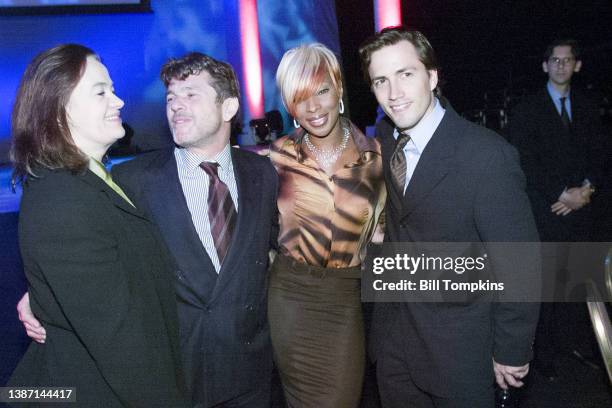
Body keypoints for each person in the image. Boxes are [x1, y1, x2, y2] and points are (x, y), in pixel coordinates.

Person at [17, 52, 279, 408]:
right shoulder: (130, 181)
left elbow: (270, 255)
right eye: (171, 97)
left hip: (248, 374)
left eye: (191, 95)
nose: (176, 106)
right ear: (60, 107)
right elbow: (94, 289)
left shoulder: (263, 173)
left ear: (229, 107)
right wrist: (43, 295)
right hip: (168, 376)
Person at [358, 27, 540, 407]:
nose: (393, 93)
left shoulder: (486, 155)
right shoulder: (388, 138)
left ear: (432, 76)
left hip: (459, 353)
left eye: (405, 74)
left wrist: (512, 349)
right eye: (381, 81)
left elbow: (520, 263)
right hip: (394, 347)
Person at [8, 44, 186, 407]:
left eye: (113, 89)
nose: (118, 101)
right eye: (101, 92)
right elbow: (120, 343)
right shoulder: (62, 199)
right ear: (58, 111)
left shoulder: (97, 179)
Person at [267, 43, 386, 407]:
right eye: (300, 97)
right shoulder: (276, 157)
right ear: (290, 105)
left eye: (321, 91)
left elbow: (385, 229)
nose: (313, 107)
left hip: (345, 299)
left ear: (338, 88)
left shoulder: (375, 155)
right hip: (290, 300)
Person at [505, 39, 607, 380]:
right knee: (546, 291)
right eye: (555, 60)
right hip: (546, 213)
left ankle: (580, 348)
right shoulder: (527, 110)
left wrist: (588, 190)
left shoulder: (591, 107)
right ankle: (542, 357)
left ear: (577, 65)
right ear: (545, 65)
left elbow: (602, 155)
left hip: (583, 213)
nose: (562, 65)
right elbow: (523, 160)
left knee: (582, 285)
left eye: (568, 60)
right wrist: (561, 193)